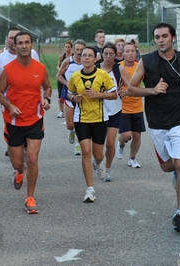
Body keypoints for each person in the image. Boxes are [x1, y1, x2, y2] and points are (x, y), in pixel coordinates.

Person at [126, 22, 180, 232]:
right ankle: (175, 175)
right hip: (157, 121)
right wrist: (152, 90)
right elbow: (130, 90)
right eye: (157, 37)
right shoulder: (147, 61)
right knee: (167, 166)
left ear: (173, 38)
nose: (160, 40)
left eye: (164, 36)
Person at [0, 31, 52, 214]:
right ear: (15, 45)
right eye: (21, 43)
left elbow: (48, 87)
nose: (24, 46)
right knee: (18, 163)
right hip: (13, 121)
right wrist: (10, 106)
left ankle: (30, 197)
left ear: (32, 45)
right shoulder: (8, 69)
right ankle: (20, 172)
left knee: (33, 158)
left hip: (35, 119)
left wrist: (47, 99)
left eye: (27, 42)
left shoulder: (40, 68)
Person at [67, 46, 117, 202]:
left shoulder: (103, 75)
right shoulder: (75, 76)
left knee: (97, 154)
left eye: (90, 55)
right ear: (80, 58)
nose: (86, 58)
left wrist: (99, 94)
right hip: (81, 119)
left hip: (100, 119)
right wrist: (74, 97)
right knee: (86, 152)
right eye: (84, 55)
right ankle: (90, 189)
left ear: (96, 59)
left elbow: (114, 94)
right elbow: (68, 93)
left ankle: (99, 163)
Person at [0, 26, 40, 157]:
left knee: (30, 134)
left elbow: (38, 74)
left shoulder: (33, 54)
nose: (14, 40)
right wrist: (7, 84)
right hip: (9, 103)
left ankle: (24, 152)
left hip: (31, 103)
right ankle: (15, 153)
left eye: (17, 37)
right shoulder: (0, 58)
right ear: (7, 40)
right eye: (11, 38)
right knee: (13, 133)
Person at [96, 42, 132, 182]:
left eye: (112, 54)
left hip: (115, 109)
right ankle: (98, 160)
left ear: (115, 55)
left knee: (110, 143)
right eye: (106, 54)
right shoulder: (95, 68)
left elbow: (131, 85)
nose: (109, 56)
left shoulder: (119, 69)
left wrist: (124, 91)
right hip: (97, 110)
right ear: (102, 54)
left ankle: (108, 169)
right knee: (97, 147)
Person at [115, 42, 146, 169]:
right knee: (126, 135)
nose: (130, 54)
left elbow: (147, 82)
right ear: (122, 53)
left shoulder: (140, 67)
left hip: (137, 106)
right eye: (127, 51)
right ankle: (121, 144)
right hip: (122, 107)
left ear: (136, 52)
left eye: (132, 51)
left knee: (137, 135)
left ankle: (132, 158)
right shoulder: (118, 67)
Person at [56, 39, 86, 156]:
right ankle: (71, 131)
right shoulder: (68, 61)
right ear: (73, 50)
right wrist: (67, 83)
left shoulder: (88, 62)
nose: (79, 52)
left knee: (80, 123)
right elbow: (58, 75)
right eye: (77, 49)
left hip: (83, 98)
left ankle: (78, 145)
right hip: (69, 96)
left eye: (81, 50)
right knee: (70, 124)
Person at [56, 40, 73, 118]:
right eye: (66, 47)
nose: (67, 48)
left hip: (69, 77)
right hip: (62, 76)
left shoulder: (73, 56)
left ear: (71, 48)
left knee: (69, 94)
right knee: (60, 95)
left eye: (68, 47)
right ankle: (61, 111)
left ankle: (71, 109)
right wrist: (60, 70)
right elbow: (58, 65)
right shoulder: (61, 56)